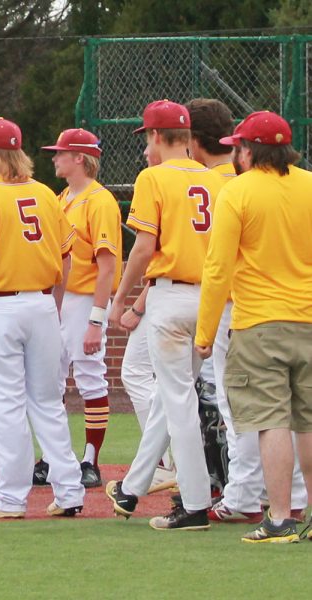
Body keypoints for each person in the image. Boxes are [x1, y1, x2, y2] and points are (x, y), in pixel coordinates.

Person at [0, 117, 85, 519]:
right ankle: (70, 490)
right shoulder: (46, 194)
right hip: (42, 303)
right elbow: (65, 259)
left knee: (5, 404)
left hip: (0, 306)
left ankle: (10, 496)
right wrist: (53, 305)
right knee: (47, 403)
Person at [106, 100, 224, 531]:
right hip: (212, 299)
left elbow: (142, 247)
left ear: (156, 136)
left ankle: (193, 505)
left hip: (171, 299)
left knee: (178, 402)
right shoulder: (216, 180)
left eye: (148, 137)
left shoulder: (152, 177)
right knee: (171, 399)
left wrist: (121, 299)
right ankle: (132, 489)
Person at [195, 111, 312, 543]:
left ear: (247, 150)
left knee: (271, 419)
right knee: (308, 421)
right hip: (309, 318)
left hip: (259, 321)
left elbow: (218, 266)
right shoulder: (309, 184)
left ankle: (280, 517)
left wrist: (204, 333)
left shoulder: (237, 191)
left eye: (238, 147)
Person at [39, 128, 122, 489]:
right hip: (59, 298)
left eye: (61, 152)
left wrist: (96, 320)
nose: (55, 158)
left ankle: (90, 460)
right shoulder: (61, 199)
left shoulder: (99, 200)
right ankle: (53, 457)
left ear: (79, 158)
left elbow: (107, 266)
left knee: (89, 375)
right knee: (49, 379)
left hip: (86, 297)